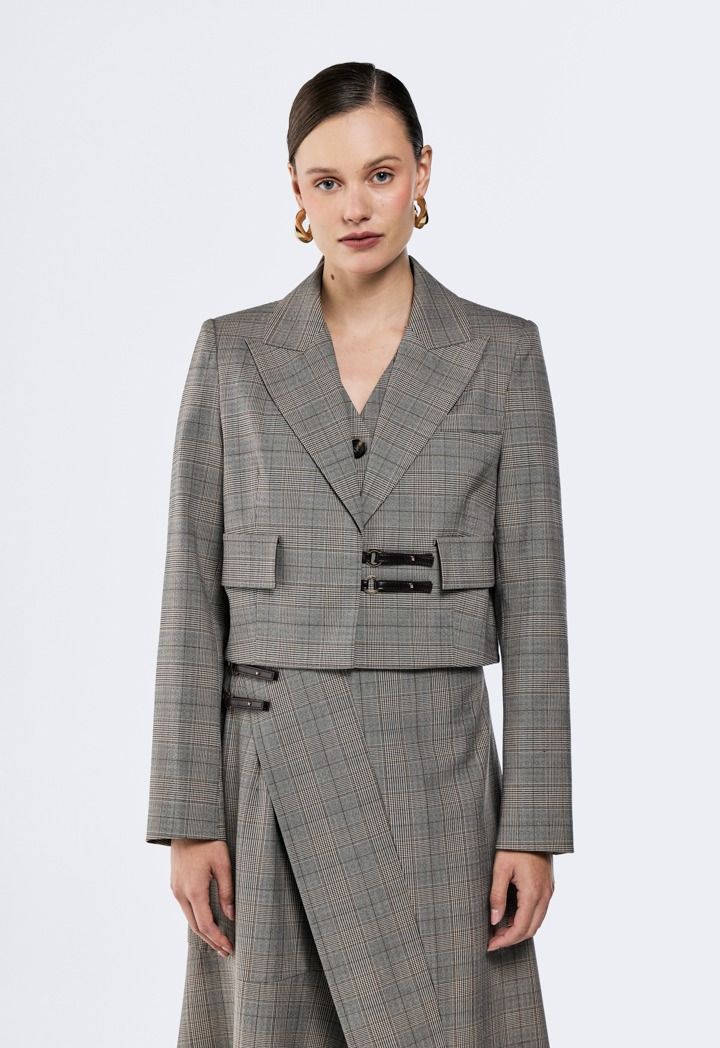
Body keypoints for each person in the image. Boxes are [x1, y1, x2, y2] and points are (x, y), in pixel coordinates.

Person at [146, 60, 574, 1048]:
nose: (355, 206)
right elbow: (188, 596)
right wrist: (189, 816)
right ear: (296, 190)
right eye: (327, 180)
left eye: (381, 174)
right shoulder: (233, 354)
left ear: (423, 172)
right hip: (269, 772)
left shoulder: (501, 354)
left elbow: (540, 607)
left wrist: (533, 825)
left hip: (441, 776)